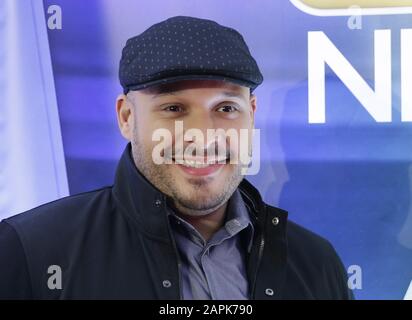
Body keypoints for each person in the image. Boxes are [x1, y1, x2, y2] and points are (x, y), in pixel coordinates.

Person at [0, 16, 353, 299]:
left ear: (252, 115)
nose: (203, 135)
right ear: (126, 118)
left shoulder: (316, 264)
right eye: (173, 108)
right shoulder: (29, 252)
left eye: (226, 108)